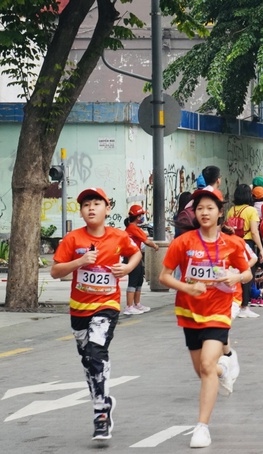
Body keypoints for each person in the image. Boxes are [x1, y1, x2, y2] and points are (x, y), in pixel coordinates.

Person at [159, 186, 252, 448]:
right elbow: (164, 276)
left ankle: (202, 427)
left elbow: (247, 273)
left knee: (207, 365)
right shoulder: (183, 242)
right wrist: (187, 287)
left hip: (219, 311)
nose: (204, 212)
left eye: (210, 208)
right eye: (199, 208)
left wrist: (235, 277)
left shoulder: (232, 243)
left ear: (220, 213)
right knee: (203, 369)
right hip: (189, 312)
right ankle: (227, 368)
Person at [50, 187, 142, 441]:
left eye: (96, 203)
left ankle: (101, 414)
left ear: (107, 209)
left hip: (106, 306)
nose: (91, 208)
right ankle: (104, 401)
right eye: (86, 205)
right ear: (80, 212)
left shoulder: (118, 236)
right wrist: (79, 262)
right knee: (89, 361)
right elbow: (55, 271)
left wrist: (127, 267)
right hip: (79, 310)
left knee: (95, 352)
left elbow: (135, 252)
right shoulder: (73, 239)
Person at [227, 183, 263, 318]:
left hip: (233, 245)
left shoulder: (231, 210)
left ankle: (236, 304)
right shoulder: (251, 210)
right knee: (247, 275)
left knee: (236, 274)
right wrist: (261, 249)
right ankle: (244, 306)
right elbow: (254, 232)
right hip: (247, 244)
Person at [122, 204, 159, 315]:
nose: (142, 217)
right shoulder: (133, 228)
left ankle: (137, 304)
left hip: (136, 256)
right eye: (142, 215)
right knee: (133, 281)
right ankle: (129, 306)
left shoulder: (133, 228)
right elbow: (146, 241)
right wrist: (155, 246)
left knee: (139, 280)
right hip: (132, 257)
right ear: (138, 217)